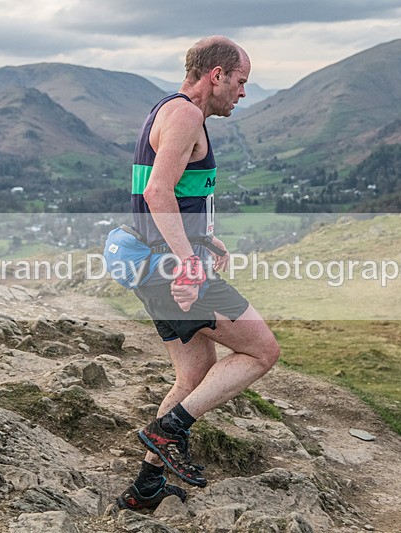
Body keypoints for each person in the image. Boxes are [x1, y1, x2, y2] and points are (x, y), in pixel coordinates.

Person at [115, 36, 280, 511]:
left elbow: (173, 196)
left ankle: (145, 488)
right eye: (241, 82)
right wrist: (189, 260)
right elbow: (157, 193)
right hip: (174, 272)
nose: (243, 93)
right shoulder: (186, 114)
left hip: (157, 267)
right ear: (217, 75)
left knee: (193, 378)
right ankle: (168, 431)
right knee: (262, 349)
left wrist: (202, 239)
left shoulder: (166, 110)